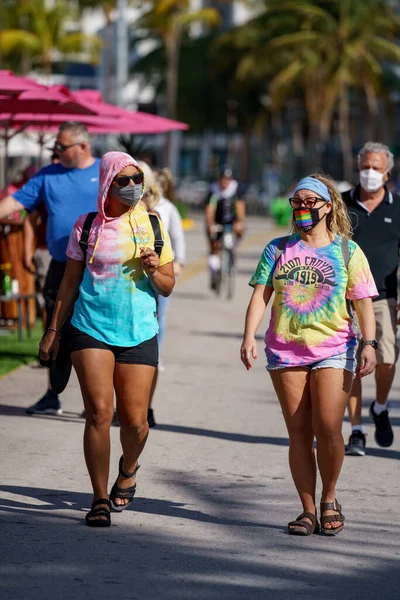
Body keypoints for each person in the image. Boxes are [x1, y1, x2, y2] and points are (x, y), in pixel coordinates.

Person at [39, 151, 175, 527]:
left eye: (137, 180)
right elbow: (69, 281)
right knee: (99, 413)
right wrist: (53, 330)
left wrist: (153, 270)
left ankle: (128, 469)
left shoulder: (152, 224)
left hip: (139, 331)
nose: (133, 187)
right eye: (124, 181)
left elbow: (167, 287)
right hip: (90, 328)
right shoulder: (86, 226)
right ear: (107, 184)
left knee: (135, 422)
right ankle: (99, 498)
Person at [241, 174, 378, 536]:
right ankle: (307, 510)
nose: (302, 209)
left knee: (329, 428)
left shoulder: (347, 250)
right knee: (299, 433)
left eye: (309, 202)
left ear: (327, 206)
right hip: (285, 350)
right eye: (296, 203)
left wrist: (370, 343)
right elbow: (260, 296)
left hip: (335, 348)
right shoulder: (277, 249)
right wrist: (248, 336)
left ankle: (329, 497)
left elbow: (363, 302)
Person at [0, 122, 100, 415]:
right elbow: (13, 202)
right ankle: (51, 394)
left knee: (94, 334)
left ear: (83, 146)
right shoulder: (47, 176)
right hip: (60, 265)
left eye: (62, 146)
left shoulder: (104, 172)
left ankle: (96, 401)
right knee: (53, 329)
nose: (55, 151)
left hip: (98, 269)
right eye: (55, 146)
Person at [343, 142, 399, 456]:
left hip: (384, 297)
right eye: (365, 167)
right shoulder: (341, 204)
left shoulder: (397, 207)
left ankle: (379, 407)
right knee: (352, 365)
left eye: (376, 168)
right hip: (344, 298)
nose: (370, 174)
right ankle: (356, 431)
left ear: (387, 172)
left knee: (386, 359)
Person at [139, 163, 185, 427]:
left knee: (155, 333)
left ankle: (146, 407)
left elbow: (176, 239)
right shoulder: (111, 216)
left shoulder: (162, 212)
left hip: (157, 281)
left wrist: (175, 264)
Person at [204, 168, 245, 290]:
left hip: (231, 222)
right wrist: (210, 224)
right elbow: (210, 209)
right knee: (214, 246)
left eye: (227, 179)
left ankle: (233, 249)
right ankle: (214, 273)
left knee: (239, 231)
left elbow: (240, 206)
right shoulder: (213, 190)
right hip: (217, 222)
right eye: (223, 179)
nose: (225, 182)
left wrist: (239, 222)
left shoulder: (235, 189)